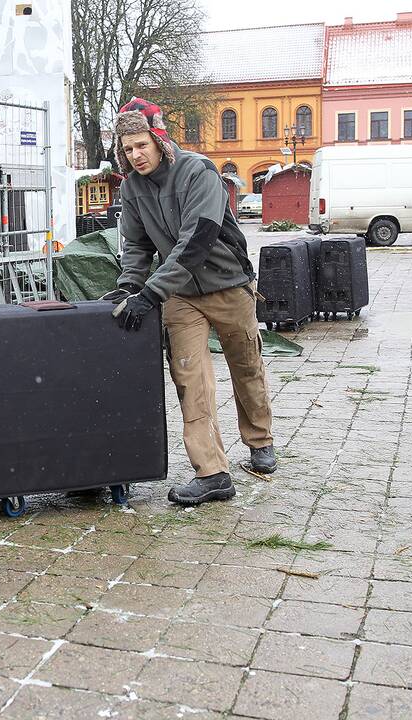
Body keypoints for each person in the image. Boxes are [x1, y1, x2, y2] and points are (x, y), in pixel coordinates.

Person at [104, 97, 276, 506]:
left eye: (141, 145)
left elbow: (196, 240)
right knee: (189, 378)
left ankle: (259, 439)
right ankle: (213, 472)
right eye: (127, 149)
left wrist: (152, 292)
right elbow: (137, 244)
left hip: (228, 284)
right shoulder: (132, 188)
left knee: (246, 365)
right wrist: (130, 286)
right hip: (182, 296)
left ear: (158, 138)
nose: (136, 155)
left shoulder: (197, 170)